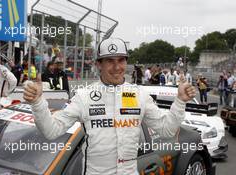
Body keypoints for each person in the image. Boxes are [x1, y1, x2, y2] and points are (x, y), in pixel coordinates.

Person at [23, 38, 196, 175]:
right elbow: (51, 130)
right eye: (109, 61)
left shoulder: (139, 95)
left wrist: (180, 101)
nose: (116, 67)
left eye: (121, 60)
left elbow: (166, 130)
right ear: (99, 64)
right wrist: (38, 103)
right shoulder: (84, 96)